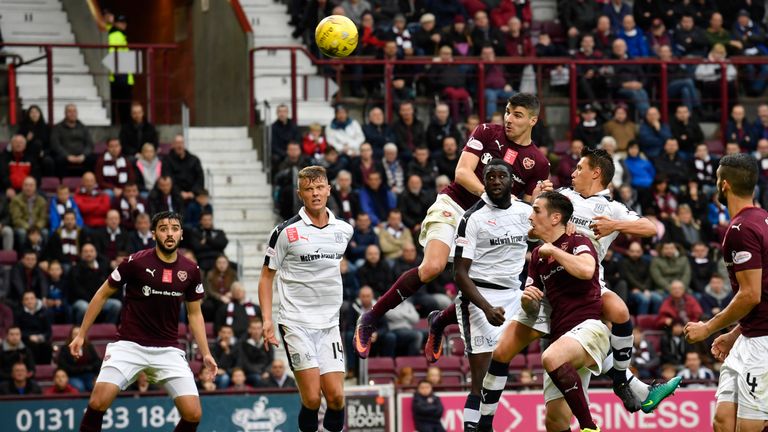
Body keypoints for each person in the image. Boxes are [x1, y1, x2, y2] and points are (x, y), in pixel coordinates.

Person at [354, 93, 550, 361]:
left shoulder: (538, 163)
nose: (508, 119)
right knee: (432, 267)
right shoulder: (485, 132)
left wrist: (539, 200)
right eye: (507, 111)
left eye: (517, 115)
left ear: (533, 120)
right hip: (455, 206)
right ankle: (371, 317)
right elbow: (462, 173)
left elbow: (528, 210)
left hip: (489, 223)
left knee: (480, 286)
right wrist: (494, 197)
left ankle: (439, 321)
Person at [69, 211, 216, 432]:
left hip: (167, 349)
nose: (169, 233)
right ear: (154, 234)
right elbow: (101, 295)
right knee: (98, 402)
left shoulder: (191, 270)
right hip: (129, 345)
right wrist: (81, 334)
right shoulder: (134, 262)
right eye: (163, 229)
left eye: (174, 229)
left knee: (193, 414)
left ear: (181, 235)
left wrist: (206, 353)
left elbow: (195, 314)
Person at [258, 166, 353, 432]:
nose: (315, 193)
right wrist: (267, 320)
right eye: (309, 189)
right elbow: (266, 278)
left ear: (329, 190)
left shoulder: (344, 230)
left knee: (335, 398)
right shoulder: (285, 232)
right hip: (296, 323)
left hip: (329, 324)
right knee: (312, 398)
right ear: (300, 194)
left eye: (319, 187)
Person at [451, 160, 540, 430]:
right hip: (479, 299)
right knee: (481, 378)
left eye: (503, 176)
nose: (497, 181)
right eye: (491, 177)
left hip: (516, 294)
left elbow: (546, 236)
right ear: (484, 181)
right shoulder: (471, 218)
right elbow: (459, 274)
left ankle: (622, 379)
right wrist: (487, 308)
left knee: (565, 327)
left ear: (512, 181)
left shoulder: (527, 212)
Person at [684, 153, 768, 431]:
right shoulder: (763, 219)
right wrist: (734, 334)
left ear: (724, 185)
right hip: (748, 337)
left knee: (749, 428)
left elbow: (750, 295)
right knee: (722, 421)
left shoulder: (740, 230)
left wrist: (707, 328)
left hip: (762, 344)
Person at [49, 104, 95, 177]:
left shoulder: (83, 127)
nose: (72, 114)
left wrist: (83, 155)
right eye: (69, 111)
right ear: (65, 113)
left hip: (81, 156)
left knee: (92, 158)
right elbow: (55, 145)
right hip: (65, 156)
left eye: (74, 111)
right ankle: (63, 184)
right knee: (58, 160)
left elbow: (90, 144)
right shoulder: (57, 128)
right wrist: (67, 156)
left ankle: (87, 182)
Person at [58, 325, 101, 393]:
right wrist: (81, 369)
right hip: (72, 375)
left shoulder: (89, 347)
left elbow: (97, 362)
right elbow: (63, 365)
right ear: (71, 336)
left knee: (93, 386)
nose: (77, 336)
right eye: (75, 334)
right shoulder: (65, 348)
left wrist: (94, 372)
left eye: (79, 334)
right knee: (80, 387)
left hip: (89, 374)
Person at [162, 135, 204, 201]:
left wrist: (193, 192)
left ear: (184, 144)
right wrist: (179, 193)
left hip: (193, 196)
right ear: (173, 145)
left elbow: (200, 178)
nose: (179, 146)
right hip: (174, 197)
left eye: (181, 143)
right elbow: (167, 178)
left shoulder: (194, 160)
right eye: (177, 143)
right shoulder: (167, 160)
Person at [237, 319, 273, 387]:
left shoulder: (267, 343)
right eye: (254, 328)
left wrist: (267, 372)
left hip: (265, 372)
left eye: (258, 328)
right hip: (250, 373)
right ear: (249, 330)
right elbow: (244, 363)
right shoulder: (244, 344)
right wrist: (260, 372)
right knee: (258, 378)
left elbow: (271, 360)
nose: (256, 331)